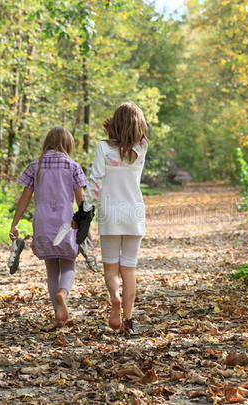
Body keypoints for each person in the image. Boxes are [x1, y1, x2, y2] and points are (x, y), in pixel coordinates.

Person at [9, 126, 88, 327]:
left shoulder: (35, 167)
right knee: (68, 263)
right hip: (66, 222)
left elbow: (24, 198)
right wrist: (85, 225)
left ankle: (58, 315)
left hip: (43, 222)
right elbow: (81, 201)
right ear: (68, 144)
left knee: (51, 268)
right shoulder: (73, 166)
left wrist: (15, 223)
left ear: (47, 143)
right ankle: (63, 293)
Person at [89, 102, 148, 336]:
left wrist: (84, 207)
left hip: (110, 213)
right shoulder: (141, 147)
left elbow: (95, 181)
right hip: (134, 213)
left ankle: (114, 298)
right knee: (129, 269)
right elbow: (130, 136)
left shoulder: (102, 148)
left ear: (114, 124)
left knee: (111, 267)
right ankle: (128, 317)